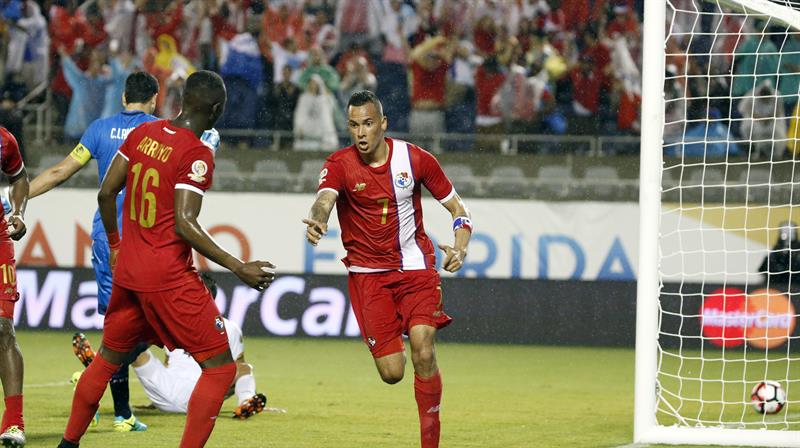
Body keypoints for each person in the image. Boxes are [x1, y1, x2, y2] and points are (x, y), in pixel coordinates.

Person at [57, 70, 275, 448]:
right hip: (169, 276)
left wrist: (115, 244)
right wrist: (238, 266)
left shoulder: (143, 135)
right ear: (218, 109)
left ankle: (68, 444)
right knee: (221, 368)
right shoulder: (196, 153)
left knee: (108, 358)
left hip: (128, 270)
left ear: (181, 98)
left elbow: (106, 193)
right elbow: (185, 223)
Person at [302, 90, 472, 448]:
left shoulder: (416, 159)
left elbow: (459, 209)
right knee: (392, 373)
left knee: (424, 348)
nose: (361, 133)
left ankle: (431, 442)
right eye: (353, 125)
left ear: (383, 124)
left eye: (367, 124)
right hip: (368, 278)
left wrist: (460, 245)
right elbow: (323, 200)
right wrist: (318, 220)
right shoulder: (338, 164)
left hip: (415, 270)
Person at [29, 71, 162, 433]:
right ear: (154, 99)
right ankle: (119, 410)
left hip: (109, 238)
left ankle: (115, 403)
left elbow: (60, 171)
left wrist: (18, 197)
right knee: (153, 325)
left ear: (123, 99)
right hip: (148, 239)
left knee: (117, 323)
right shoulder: (162, 131)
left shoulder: (99, 130)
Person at [71, 275, 267, 419]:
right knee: (242, 368)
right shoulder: (229, 327)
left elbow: (168, 364)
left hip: (164, 394)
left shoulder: (169, 321)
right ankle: (245, 401)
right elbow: (235, 368)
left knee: (136, 350)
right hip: (200, 399)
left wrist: (157, 399)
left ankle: (99, 365)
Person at [0, 126, 29, 447]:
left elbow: (19, 178)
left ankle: (14, 423)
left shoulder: (3, 140)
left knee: (3, 328)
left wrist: (18, 211)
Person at [759, 221, 800, 291]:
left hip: (794, 287)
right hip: (775, 287)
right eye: (785, 231)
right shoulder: (776, 250)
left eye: (790, 231)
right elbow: (763, 269)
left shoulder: (797, 252)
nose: (787, 233)